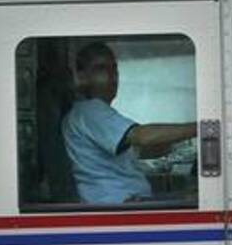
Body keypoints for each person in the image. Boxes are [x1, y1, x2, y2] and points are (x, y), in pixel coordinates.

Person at [62, 42, 197, 204]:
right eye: (101, 69)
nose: (112, 76)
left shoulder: (87, 115)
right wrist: (203, 128)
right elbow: (142, 136)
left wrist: (174, 143)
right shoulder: (91, 111)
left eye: (114, 69)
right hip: (119, 203)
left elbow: (139, 150)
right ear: (81, 77)